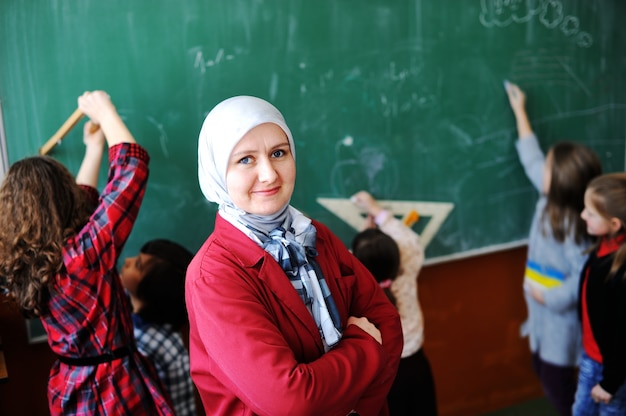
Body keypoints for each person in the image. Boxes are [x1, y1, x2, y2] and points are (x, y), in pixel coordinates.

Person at [187, 95, 403, 416]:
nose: (270, 174)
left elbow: (389, 325)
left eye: (278, 153)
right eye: (245, 160)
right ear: (218, 171)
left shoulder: (312, 233)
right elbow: (290, 401)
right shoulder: (214, 274)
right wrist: (363, 345)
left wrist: (359, 408)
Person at [0, 91, 174, 415]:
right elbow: (131, 169)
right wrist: (105, 112)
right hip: (112, 390)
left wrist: (94, 149)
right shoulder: (81, 257)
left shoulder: (35, 261)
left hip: (71, 384)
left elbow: (83, 206)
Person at [504, 81, 602, 416]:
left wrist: (551, 297)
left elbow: (582, 277)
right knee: (541, 366)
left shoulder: (576, 227)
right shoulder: (549, 200)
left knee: (557, 384)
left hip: (559, 319)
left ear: (558, 182)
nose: (541, 169)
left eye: (548, 168)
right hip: (540, 312)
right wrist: (520, 111)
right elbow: (531, 158)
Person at [351, 191, 438, 416]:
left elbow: (348, 263)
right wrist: (376, 210)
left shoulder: (356, 290)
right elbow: (409, 242)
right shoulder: (407, 269)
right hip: (417, 364)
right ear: (397, 256)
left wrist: (363, 237)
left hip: (384, 377)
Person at [120, 239, 197, 416]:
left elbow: (181, 406)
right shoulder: (124, 307)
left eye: (137, 265)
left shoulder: (166, 347)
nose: (127, 261)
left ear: (153, 290)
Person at [572, 173, 626, 415]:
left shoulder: (620, 272)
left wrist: (610, 382)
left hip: (612, 371)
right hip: (591, 357)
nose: (583, 215)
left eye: (590, 213)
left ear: (615, 224)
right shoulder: (602, 245)